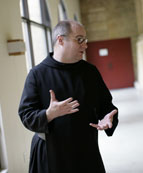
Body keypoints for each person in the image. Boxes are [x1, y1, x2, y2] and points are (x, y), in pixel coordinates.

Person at [18, 20, 118, 173]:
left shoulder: (90, 72)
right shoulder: (37, 74)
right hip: (51, 154)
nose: (85, 45)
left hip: (86, 152)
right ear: (60, 40)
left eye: (85, 40)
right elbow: (26, 116)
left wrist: (108, 118)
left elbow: (107, 106)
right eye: (79, 39)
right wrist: (49, 114)